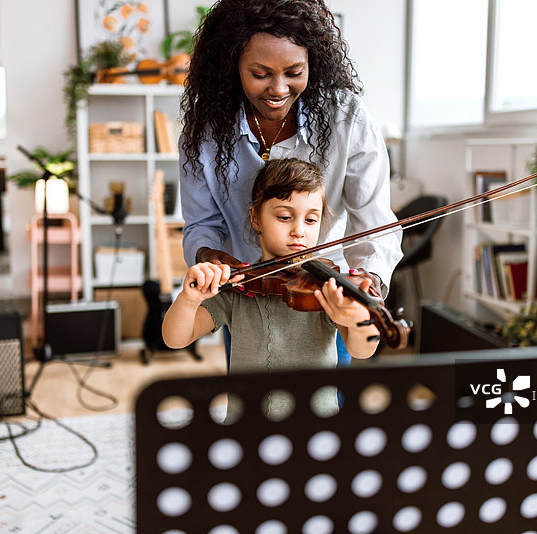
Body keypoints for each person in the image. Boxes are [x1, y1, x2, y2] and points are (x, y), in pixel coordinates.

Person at [179, 0, 402, 366]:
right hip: (246, 295)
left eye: (294, 72)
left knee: (326, 406)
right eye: (261, 73)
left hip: (323, 295)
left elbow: (374, 220)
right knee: (252, 399)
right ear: (232, 64)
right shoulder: (205, 127)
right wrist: (210, 258)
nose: (279, 88)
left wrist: (366, 285)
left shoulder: (346, 117)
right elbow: (202, 224)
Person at [163, 158, 380, 417]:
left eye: (311, 220)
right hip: (248, 427)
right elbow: (175, 339)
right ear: (255, 218)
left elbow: (363, 350)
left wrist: (357, 321)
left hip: (313, 426)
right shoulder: (238, 287)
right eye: (285, 217)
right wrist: (189, 300)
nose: (299, 231)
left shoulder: (325, 289)